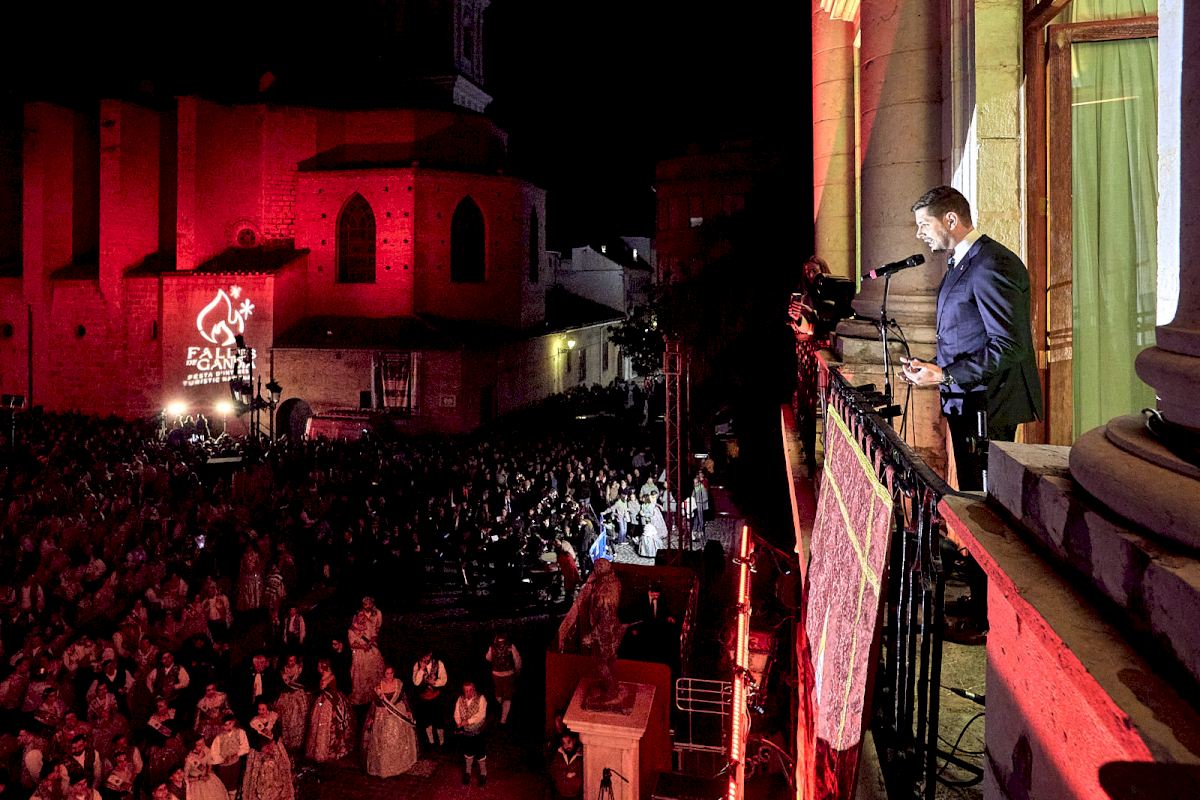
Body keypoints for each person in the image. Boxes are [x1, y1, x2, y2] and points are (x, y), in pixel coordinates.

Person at [901, 185, 1043, 641]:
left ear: (950, 219)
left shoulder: (992, 264)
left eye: (924, 225)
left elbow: (1009, 346)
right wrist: (933, 368)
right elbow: (968, 336)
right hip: (968, 401)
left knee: (988, 513)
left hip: (989, 407)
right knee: (978, 508)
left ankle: (987, 620)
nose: (920, 234)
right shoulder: (962, 263)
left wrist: (945, 375)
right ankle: (982, 601)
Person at [362, 665, 418, 777]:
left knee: (397, 737)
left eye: (391, 673)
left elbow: (404, 698)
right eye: (387, 673)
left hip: (397, 712)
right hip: (382, 714)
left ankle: (398, 764)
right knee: (383, 740)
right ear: (384, 674)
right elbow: (375, 703)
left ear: (394, 673)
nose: (389, 676)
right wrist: (372, 717)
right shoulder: (379, 687)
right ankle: (384, 767)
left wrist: (408, 710)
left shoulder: (398, 684)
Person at [304, 659, 354, 764]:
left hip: (330, 702)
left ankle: (327, 750)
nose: (318, 668)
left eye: (320, 666)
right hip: (324, 700)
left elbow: (324, 688)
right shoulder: (326, 675)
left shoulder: (328, 676)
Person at [243, 701, 294, 800]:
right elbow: (252, 739)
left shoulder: (273, 718)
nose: (261, 712)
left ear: (267, 709)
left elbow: (278, 732)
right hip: (260, 749)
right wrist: (261, 747)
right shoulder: (254, 722)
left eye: (263, 709)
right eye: (259, 709)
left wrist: (273, 742)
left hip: (273, 746)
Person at [453, 680, 488, 787]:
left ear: (474, 689)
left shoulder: (481, 698)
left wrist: (467, 721)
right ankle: (468, 772)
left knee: (480, 753)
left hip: (478, 732)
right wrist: (459, 722)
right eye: (466, 691)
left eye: (470, 690)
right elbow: (456, 713)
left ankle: (483, 773)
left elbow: (481, 715)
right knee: (468, 753)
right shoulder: (460, 699)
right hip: (466, 733)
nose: (468, 693)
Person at [410, 650, 448, 749]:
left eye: (427, 656)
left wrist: (434, 682)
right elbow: (416, 682)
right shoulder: (417, 665)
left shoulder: (438, 663)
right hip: (424, 698)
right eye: (423, 656)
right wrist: (421, 669)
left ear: (430, 654)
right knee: (427, 721)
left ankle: (442, 742)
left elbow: (444, 679)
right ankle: (431, 742)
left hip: (436, 696)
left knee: (439, 720)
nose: (425, 659)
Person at [347, 611, 385, 706]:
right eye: (360, 615)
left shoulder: (369, 624)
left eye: (363, 615)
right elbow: (352, 643)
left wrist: (370, 643)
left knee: (373, 674)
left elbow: (374, 635)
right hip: (360, 655)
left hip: (372, 653)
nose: (363, 617)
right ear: (356, 616)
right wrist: (363, 646)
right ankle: (362, 699)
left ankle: (375, 697)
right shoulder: (351, 629)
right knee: (360, 677)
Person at [273, 654, 309, 753]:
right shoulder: (283, 671)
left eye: (293, 660)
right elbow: (281, 685)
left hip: (298, 697)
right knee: (286, 720)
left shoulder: (300, 669)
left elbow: (303, 684)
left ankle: (298, 743)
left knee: (298, 720)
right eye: (289, 660)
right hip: (286, 697)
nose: (291, 663)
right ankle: (287, 743)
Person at [484, 633, 521, 727]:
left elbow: (488, 658)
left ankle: (500, 713)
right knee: (507, 696)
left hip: (496, 674)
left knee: (499, 694)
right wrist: (517, 670)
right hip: (508, 674)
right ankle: (503, 719)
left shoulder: (492, 647)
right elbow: (517, 659)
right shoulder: (511, 646)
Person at [209, 714, 249, 800]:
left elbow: (245, 747)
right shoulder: (219, 737)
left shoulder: (240, 732)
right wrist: (222, 759)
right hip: (224, 765)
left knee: (233, 784)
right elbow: (214, 752)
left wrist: (237, 754)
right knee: (224, 784)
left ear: (233, 723)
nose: (227, 727)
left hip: (235, 763)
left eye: (229, 724)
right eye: (225, 725)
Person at [548, 731, 584, 800]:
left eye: (569, 742)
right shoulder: (559, 755)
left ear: (574, 741)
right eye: (564, 743)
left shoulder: (580, 757)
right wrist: (565, 774)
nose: (566, 746)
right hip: (561, 793)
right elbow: (553, 771)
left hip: (575, 794)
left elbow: (582, 775)